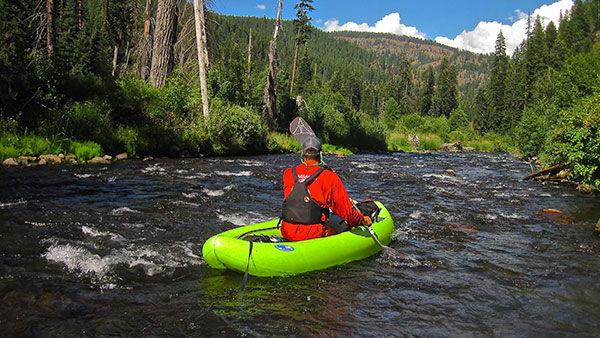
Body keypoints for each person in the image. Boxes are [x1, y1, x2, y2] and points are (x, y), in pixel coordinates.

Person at [280, 136, 372, 241]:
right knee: (341, 226)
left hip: (286, 232)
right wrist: (363, 220)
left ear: (302, 153)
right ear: (320, 154)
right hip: (313, 234)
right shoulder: (329, 177)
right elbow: (347, 214)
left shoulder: (288, 173)